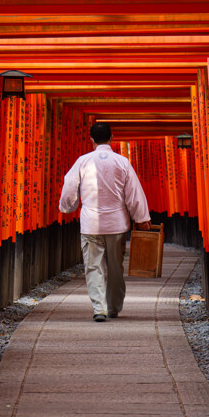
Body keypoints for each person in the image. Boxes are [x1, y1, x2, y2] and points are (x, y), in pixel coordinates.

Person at [59, 123, 151, 322]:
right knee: (116, 267)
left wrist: (68, 206)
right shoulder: (122, 162)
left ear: (91, 139)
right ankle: (114, 307)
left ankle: (99, 308)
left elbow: (69, 186)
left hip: (90, 223)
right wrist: (142, 218)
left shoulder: (82, 161)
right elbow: (133, 193)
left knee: (93, 266)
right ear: (111, 138)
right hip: (117, 224)